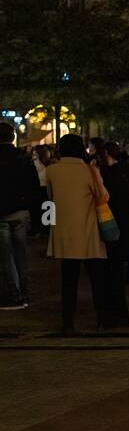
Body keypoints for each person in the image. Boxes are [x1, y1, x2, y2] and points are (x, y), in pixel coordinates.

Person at [45, 135, 115, 333]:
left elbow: (50, 197)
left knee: (68, 281)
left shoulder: (52, 170)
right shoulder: (89, 170)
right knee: (96, 279)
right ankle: (102, 318)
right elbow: (103, 196)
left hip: (64, 231)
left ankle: (68, 323)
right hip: (89, 229)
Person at [96, 142, 129, 325]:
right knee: (118, 265)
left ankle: (113, 314)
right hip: (127, 222)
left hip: (110, 224)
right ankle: (120, 312)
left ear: (105, 153)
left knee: (111, 269)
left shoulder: (107, 174)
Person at [0, 121, 41, 310]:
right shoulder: (24, 159)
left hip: (2, 215)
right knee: (21, 256)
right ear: (13, 137)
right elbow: (34, 188)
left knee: (6, 257)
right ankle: (25, 293)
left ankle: (14, 295)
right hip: (21, 213)